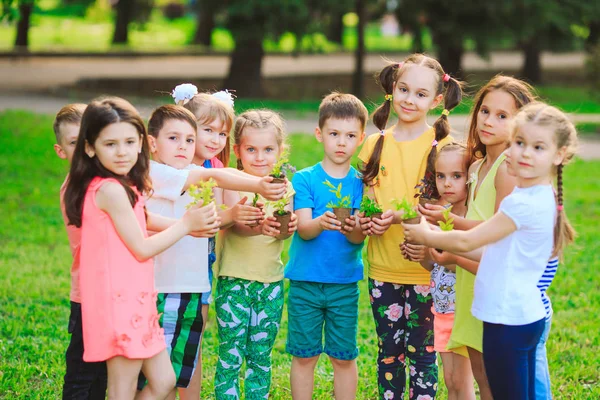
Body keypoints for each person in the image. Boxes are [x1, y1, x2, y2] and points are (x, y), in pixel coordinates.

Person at [403, 102, 577, 400]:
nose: (524, 152)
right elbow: (495, 251)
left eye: (538, 147)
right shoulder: (538, 194)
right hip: (521, 315)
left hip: (507, 320)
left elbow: (471, 242)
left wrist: (427, 234)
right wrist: (440, 237)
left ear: (559, 155)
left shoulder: (521, 204)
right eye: (520, 143)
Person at [64, 97, 220, 399]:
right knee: (122, 388)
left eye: (128, 142)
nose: (122, 152)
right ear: (90, 147)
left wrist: (196, 223)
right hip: (118, 303)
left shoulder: (125, 183)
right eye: (110, 144)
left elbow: (145, 219)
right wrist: (186, 225)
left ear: (140, 144)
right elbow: (140, 248)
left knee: (163, 381)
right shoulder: (108, 189)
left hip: (139, 300)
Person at [145, 104, 286, 399]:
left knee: (175, 373)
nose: (184, 146)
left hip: (195, 286)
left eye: (188, 139)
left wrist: (258, 195)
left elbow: (218, 189)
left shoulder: (196, 170)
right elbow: (219, 182)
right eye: (175, 138)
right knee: (156, 377)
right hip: (160, 287)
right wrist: (259, 185)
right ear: (152, 143)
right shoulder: (156, 171)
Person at [420, 75, 537, 399]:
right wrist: (444, 223)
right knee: (483, 377)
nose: (489, 121)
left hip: (493, 291)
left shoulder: (506, 169)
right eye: (485, 111)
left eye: (503, 116)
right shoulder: (477, 165)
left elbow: (500, 245)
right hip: (471, 288)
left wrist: (449, 249)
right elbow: (471, 225)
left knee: (496, 385)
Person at [358, 53, 462, 399]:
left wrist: (406, 217)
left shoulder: (444, 146)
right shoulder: (374, 144)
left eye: (420, 94)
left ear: (436, 100)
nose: (409, 99)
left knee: (424, 355)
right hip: (382, 267)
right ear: (392, 89)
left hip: (426, 269)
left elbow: (449, 207)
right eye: (404, 89)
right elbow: (367, 200)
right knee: (389, 354)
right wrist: (368, 219)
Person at [285, 93, 368, 400]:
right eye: (334, 134)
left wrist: (354, 228)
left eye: (349, 136)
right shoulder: (305, 179)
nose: (341, 143)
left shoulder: (362, 183)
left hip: (344, 284)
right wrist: (321, 222)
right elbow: (304, 230)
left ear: (361, 138)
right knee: (304, 355)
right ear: (319, 134)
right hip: (306, 282)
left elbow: (358, 238)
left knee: (343, 356)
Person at [214, 109, 297, 399]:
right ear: (237, 150)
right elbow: (233, 224)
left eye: (268, 149)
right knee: (231, 353)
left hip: (270, 283)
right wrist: (260, 226)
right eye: (251, 149)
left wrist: (288, 229)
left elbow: (283, 231)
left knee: (260, 355)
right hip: (233, 282)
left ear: (280, 151)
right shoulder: (231, 182)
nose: (260, 157)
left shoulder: (284, 188)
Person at [54, 103, 108, 400]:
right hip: (89, 295)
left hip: (112, 293)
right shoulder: (77, 187)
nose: (85, 147)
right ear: (61, 150)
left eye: (89, 137)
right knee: (82, 373)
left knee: (101, 375)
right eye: (74, 142)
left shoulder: (105, 182)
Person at [421, 143, 476, 400]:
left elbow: (467, 263)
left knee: (463, 383)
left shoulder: (472, 220)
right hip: (441, 309)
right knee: (450, 381)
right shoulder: (440, 215)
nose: (447, 183)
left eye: (456, 176)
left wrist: (444, 256)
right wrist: (422, 252)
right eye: (441, 176)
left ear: (471, 177)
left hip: (464, 311)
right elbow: (431, 265)